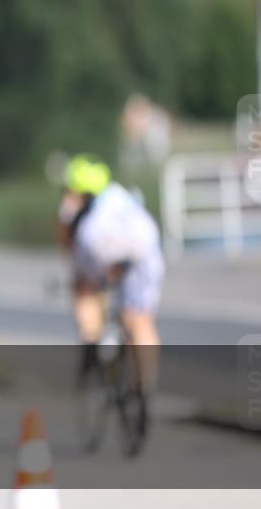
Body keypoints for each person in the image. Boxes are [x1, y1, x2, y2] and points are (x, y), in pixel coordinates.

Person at [57, 154, 163, 397]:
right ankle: (145, 386)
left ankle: (91, 338)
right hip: (145, 248)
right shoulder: (120, 194)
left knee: (84, 287)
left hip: (102, 248)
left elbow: (68, 245)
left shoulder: (74, 207)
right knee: (140, 319)